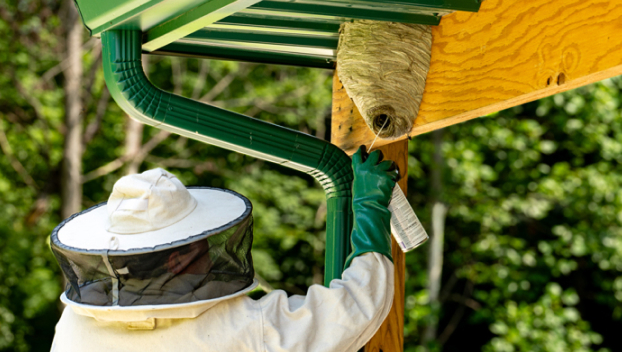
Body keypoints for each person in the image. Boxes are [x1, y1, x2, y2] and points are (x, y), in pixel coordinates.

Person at [50, 146, 398, 352]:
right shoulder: (246, 327)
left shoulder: (73, 328)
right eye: (201, 243)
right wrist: (371, 207)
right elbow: (356, 306)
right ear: (176, 259)